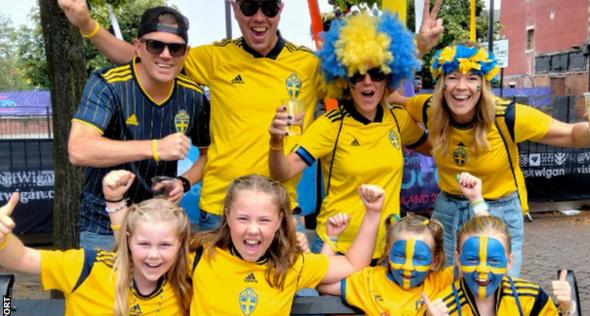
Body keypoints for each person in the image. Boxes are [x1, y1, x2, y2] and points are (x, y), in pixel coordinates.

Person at [57, 0, 323, 231]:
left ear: (281, 9)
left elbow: (358, 87)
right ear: (235, 7)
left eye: (269, 6)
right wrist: (87, 25)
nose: (259, 16)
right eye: (249, 6)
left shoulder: (310, 64)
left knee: (279, 290)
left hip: (277, 208)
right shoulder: (215, 56)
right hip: (220, 207)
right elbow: (147, 58)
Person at [395, 42, 590, 277]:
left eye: (472, 78)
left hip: (498, 210)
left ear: (484, 85)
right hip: (448, 210)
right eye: (453, 77)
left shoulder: (508, 117)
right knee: (445, 289)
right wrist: (417, 45)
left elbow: (572, 135)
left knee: (499, 292)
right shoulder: (430, 108)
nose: (461, 87)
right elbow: (393, 98)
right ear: (442, 84)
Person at [268, 6, 442, 260]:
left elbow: (440, 149)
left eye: (377, 73)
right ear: (344, 79)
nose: (368, 82)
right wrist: (275, 142)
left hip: (386, 251)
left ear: (390, 78)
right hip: (337, 248)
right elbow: (282, 172)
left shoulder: (397, 119)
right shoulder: (331, 125)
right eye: (357, 75)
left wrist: (444, 106)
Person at [177, 174, 385, 316]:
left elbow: (352, 264)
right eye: (243, 219)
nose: (253, 229)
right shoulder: (199, 255)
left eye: (264, 220)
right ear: (227, 216)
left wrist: (373, 213)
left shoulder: (291, 265)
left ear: (279, 222)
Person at [375, 173, 578, 316]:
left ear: (509, 261)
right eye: (472, 259)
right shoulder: (445, 306)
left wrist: (568, 308)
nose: (482, 269)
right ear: (457, 259)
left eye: (493, 261)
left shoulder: (529, 298)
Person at [64, 6, 210, 251]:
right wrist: (154, 148)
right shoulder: (107, 84)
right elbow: (78, 150)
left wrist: (184, 182)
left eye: (175, 48)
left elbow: (209, 154)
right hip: (103, 224)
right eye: (155, 45)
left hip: (158, 225)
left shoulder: (193, 95)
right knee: (104, 290)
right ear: (138, 46)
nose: (166, 55)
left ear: (186, 52)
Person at [0, 170, 193, 316]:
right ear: (128, 240)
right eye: (144, 244)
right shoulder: (88, 267)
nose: (153, 254)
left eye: (165, 245)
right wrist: (3, 239)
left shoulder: (182, 283)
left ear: (180, 245)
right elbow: (21, 258)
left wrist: (114, 201)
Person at [315, 173, 482, 316]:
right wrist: (331, 240)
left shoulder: (440, 282)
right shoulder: (371, 281)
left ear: (434, 261)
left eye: (418, 258)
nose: (407, 266)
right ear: (388, 253)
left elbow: (483, 257)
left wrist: (477, 202)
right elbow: (322, 281)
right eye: (400, 256)